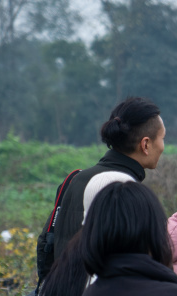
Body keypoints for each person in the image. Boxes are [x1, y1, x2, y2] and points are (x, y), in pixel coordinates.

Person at [36, 97, 165, 286]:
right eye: (162, 138)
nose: (163, 146)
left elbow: (46, 244)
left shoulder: (74, 179)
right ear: (145, 144)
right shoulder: (125, 190)